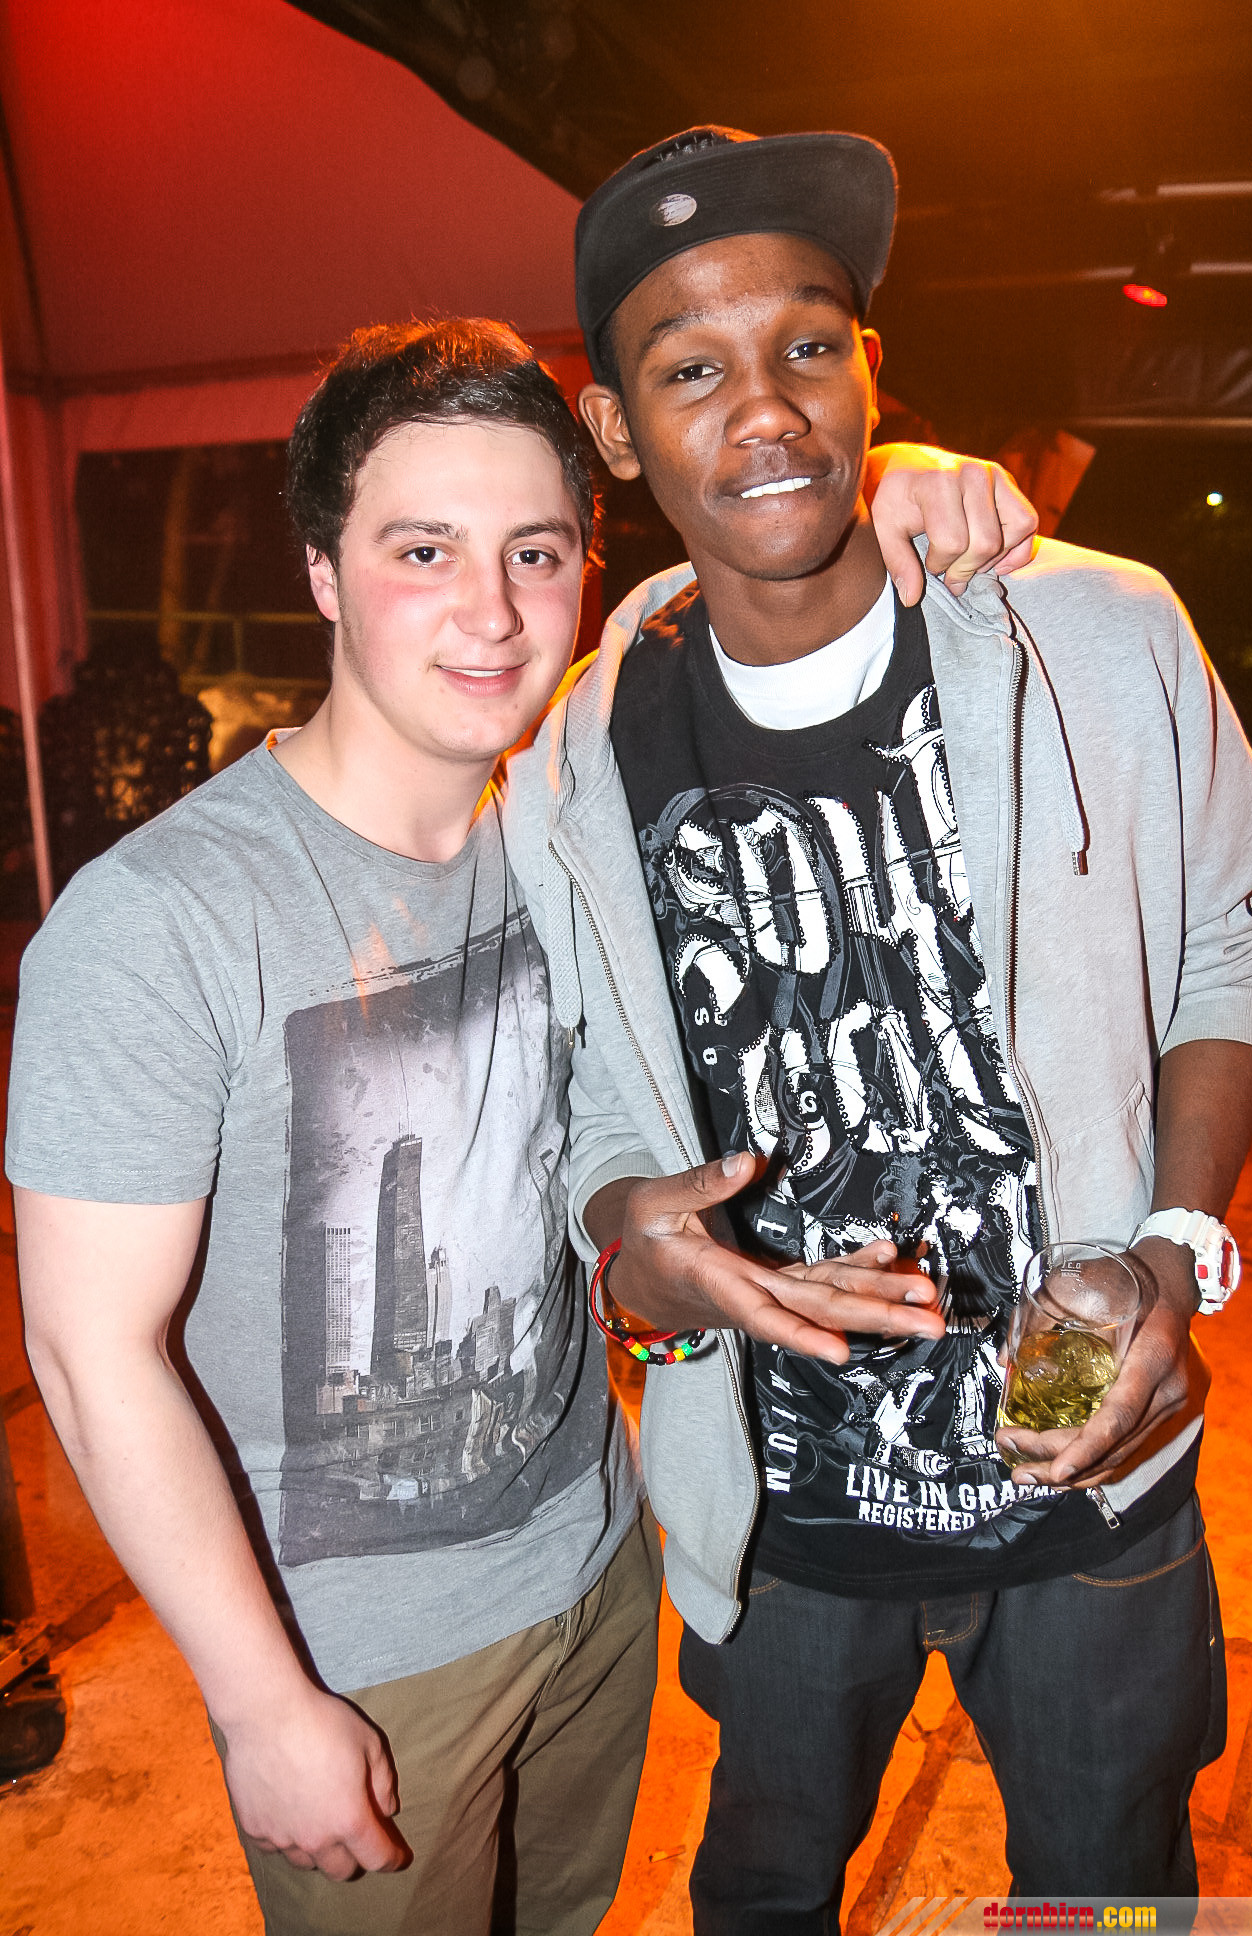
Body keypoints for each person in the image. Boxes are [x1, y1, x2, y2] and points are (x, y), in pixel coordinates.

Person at [4, 315, 1029, 1936]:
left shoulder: (562, 835)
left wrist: (887, 478)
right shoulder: (159, 921)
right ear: (323, 573)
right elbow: (86, 1352)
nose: (490, 612)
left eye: (534, 552)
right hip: (358, 1661)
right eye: (423, 551)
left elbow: (740, 582)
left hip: (596, 1572)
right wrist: (263, 1700)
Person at [504, 127, 1252, 1923]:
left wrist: (1171, 1251)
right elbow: (591, 1113)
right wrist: (634, 1236)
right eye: (688, 370)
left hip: (1085, 1467)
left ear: (871, 368)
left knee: (1109, 1895)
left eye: (804, 343)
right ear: (615, 431)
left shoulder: (1097, 636)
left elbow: (1227, 941)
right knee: (761, 1893)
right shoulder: (572, 764)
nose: (762, 410)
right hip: (781, 1509)